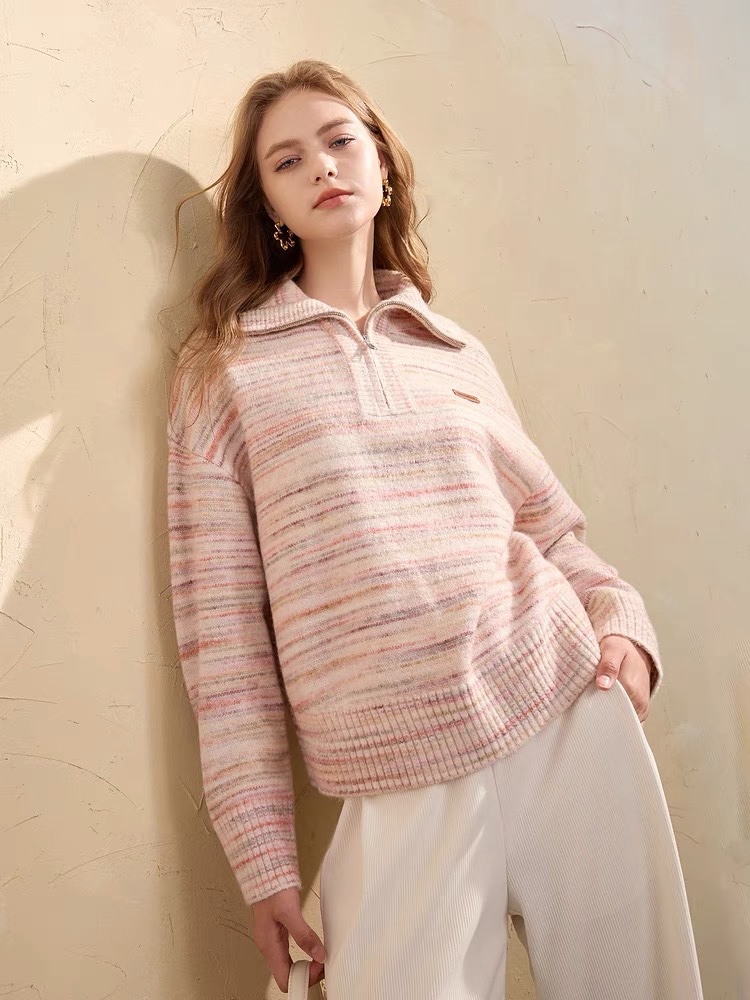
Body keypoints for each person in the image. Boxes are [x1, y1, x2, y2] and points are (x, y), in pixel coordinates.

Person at [166, 59, 703, 999]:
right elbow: (225, 646)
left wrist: (623, 624)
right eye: (287, 160)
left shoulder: (453, 351)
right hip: (395, 768)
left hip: (565, 710)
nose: (321, 165)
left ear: (380, 166)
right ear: (271, 207)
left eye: (340, 140)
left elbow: (552, 532)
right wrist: (264, 860)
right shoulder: (226, 376)